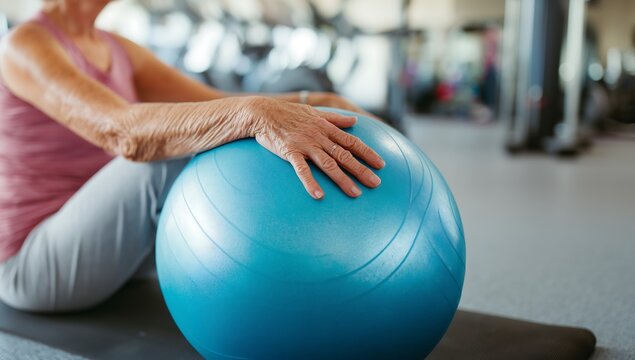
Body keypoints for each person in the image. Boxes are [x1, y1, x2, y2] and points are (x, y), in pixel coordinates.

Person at [0, 0, 385, 313]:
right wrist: (251, 116)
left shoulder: (115, 47)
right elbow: (123, 132)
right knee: (169, 154)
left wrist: (315, 101)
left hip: (118, 256)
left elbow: (213, 103)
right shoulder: (25, 43)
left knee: (220, 127)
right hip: (33, 265)